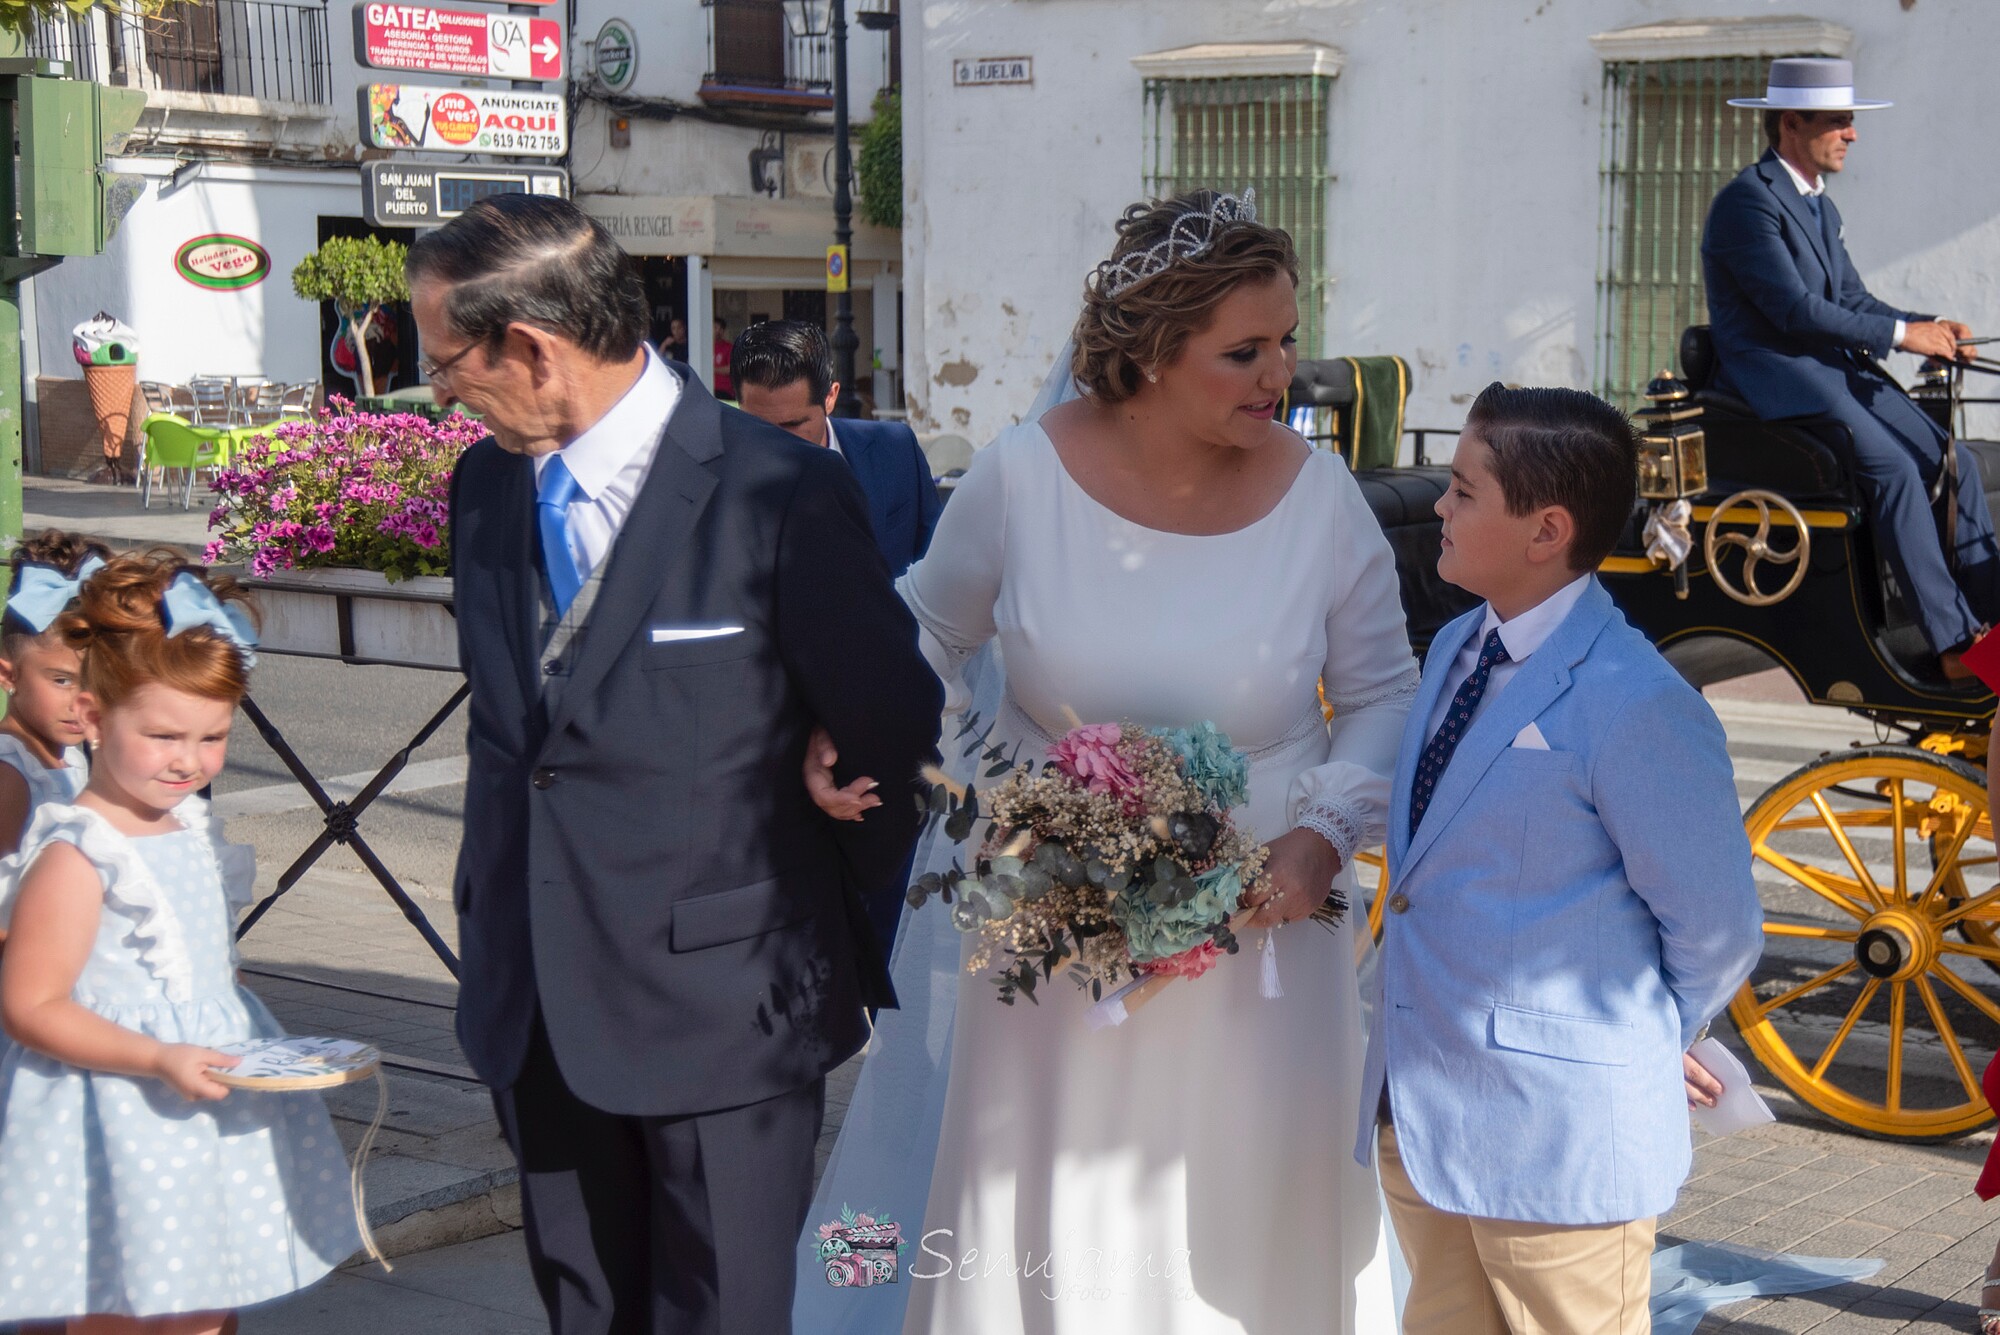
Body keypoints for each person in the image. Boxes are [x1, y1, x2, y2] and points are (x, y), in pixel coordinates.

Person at [802, 189, 1411, 1333]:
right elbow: (926, 634)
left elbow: (1382, 693)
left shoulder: (1322, 498)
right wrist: (867, 729)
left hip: (1267, 927)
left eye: (1286, 340)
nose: (1280, 374)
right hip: (1054, 911)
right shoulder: (1021, 478)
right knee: (1057, 1182)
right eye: (1244, 351)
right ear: (1148, 353)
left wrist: (1322, 839)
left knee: (1243, 1194)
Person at [406, 194, 942, 1335]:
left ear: (531, 347)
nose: (436, 384)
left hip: (724, 1007)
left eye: (447, 358)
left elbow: (894, 721)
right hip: (532, 994)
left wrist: (823, 819)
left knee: (721, 1316)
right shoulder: (486, 485)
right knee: (583, 1310)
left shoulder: (775, 490)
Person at [1360, 384, 1764, 1335]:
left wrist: (1645, 1033)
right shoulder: (1459, 642)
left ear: (1546, 529)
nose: (1439, 509)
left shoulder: (1637, 699)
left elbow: (1716, 924)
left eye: (1462, 491)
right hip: (1422, 1112)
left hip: (1559, 1138)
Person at [0, 553, 360, 1331]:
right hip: (119, 1110)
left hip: (209, 1105)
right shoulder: (78, 853)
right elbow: (30, 1004)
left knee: (205, 1296)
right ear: (93, 718)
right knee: (121, 1302)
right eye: (163, 734)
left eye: (211, 737)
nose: (188, 760)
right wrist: (156, 1055)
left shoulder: (186, 823)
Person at [1702, 56, 1997, 673]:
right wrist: (1902, 337)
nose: (1853, 134)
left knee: (1955, 460)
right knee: (1890, 469)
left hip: (1832, 362)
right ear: (1791, 123)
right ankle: (1950, 645)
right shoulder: (1747, 203)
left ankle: (1989, 624)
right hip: (1779, 371)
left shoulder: (1818, 205)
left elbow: (1852, 300)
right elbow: (1794, 311)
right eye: (1838, 121)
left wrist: (1932, 327)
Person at [733, 320, 941, 577]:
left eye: (794, 424)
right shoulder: (715, 480)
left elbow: (939, 569)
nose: (778, 442)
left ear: (830, 398)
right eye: (759, 425)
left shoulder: (897, 452)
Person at [0, 532, 110, 856]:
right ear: (8, 674)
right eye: (63, 681)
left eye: (97, 681)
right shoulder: (10, 775)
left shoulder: (67, 756)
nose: (83, 701)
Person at [712, 315, 735, 399]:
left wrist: (712, 369)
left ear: (722, 331)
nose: (714, 330)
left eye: (716, 327)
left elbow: (731, 368)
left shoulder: (729, 347)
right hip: (706, 389)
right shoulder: (704, 348)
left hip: (724, 391)